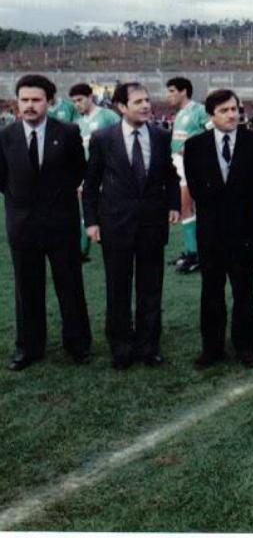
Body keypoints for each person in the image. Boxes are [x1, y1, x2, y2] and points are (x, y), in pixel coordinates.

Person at [83, 82, 180, 369]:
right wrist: (91, 222)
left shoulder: (161, 136)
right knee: (118, 290)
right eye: (138, 102)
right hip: (115, 225)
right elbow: (91, 184)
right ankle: (121, 347)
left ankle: (149, 346)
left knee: (151, 288)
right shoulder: (103, 138)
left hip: (152, 225)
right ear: (121, 107)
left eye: (147, 100)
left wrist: (174, 204)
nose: (146, 106)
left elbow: (170, 176)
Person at [0, 74, 92, 370]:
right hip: (22, 224)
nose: (29, 105)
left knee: (70, 285)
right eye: (24, 100)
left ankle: (77, 345)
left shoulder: (67, 132)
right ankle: (28, 347)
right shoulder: (6, 136)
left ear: (49, 102)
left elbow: (79, 171)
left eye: (36, 100)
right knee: (27, 287)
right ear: (17, 102)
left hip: (60, 224)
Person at [184, 89, 253, 369]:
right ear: (211, 115)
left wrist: (240, 209)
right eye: (224, 110)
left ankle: (245, 346)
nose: (232, 114)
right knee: (211, 289)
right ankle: (212, 348)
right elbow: (196, 186)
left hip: (244, 229)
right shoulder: (195, 145)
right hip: (211, 230)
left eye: (235, 109)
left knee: (243, 289)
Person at [70, 82, 121, 261]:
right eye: (74, 102)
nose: (77, 104)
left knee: (109, 208)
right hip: (86, 172)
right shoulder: (78, 122)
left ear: (90, 97)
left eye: (80, 100)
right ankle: (82, 250)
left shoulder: (107, 116)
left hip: (108, 170)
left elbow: (122, 137)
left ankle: (112, 242)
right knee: (86, 208)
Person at [166, 76, 210, 274]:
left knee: (186, 207)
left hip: (190, 165)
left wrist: (193, 150)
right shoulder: (181, 113)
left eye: (172, 91)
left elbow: (212, 132)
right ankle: (190, 251)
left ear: (184, 91)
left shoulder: (198, 110)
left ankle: (195, 255)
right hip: (177, 164)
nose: (169, 95)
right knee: (185, 208)